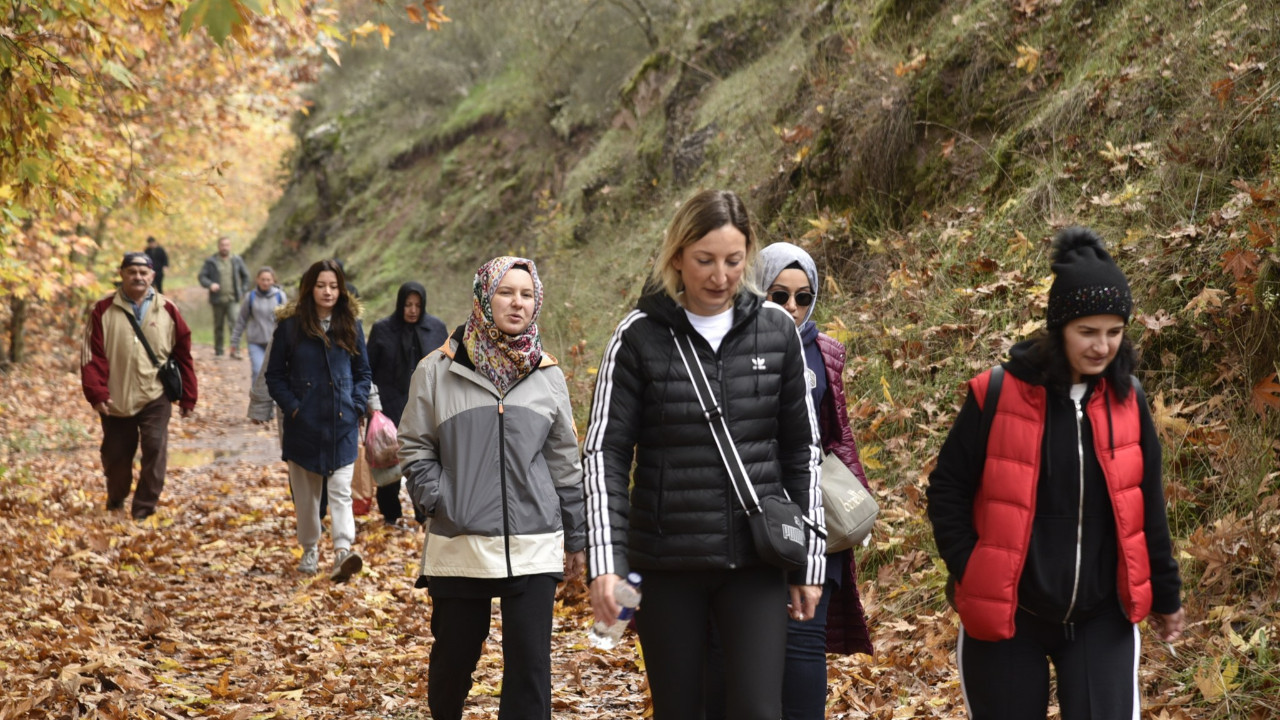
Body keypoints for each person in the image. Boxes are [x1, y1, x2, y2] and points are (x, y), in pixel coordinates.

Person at [582, 189, 825, 720]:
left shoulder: (777, 330)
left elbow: (803, 450)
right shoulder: (637, 337)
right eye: (705, 261)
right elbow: (605, 453)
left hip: (755, 559)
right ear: (676, 258)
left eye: (733, 261)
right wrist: (607, 562)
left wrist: (810, 559)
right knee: (681, 709)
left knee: (760, 710)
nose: (720, 276)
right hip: (667, 564)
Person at [926, 227, 1185, 720]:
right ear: (1059, 326)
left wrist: (1166, 595)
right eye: (1087, 331)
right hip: (1010, 618)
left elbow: (1147, 505)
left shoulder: (1130, 401)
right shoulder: (996, 395)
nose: (1102, 346)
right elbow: (947, 490)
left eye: (1114, 331)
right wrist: (970, 565)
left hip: (1100, 618)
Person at [399, 256, 585, 720]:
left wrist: (577, 537)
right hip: (460, 540)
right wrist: (438, 498)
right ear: (484, 296)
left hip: (534, 542)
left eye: (525, 294)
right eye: (506, 292)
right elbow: (415, 446)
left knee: (530, 671)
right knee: (454, 662)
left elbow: (564, 461)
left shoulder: (548, 374)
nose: (516, 302)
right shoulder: (436, 370)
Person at [706, 242, 873, 719]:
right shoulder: (727, 344)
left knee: (803, 648)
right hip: (743, 515)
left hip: (810, 514)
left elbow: (838, 433)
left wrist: (850, 501)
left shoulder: (826, 352)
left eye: (804, 297)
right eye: (779, 295)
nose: (793, 308)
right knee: (729, 653)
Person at [265, 259, 371, 582]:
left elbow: (363, 373)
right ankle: (310, 548)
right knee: (307, 497)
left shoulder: (350, 324)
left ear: (341, 290)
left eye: (334, 286)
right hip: (303, 427)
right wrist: (293, 407)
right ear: (310, 288)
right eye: (321, 285)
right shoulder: (290, 327)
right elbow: (274, 375)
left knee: (340, 491)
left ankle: (342, 551)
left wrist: (355, 404)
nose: (328, 292)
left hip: (342, 423)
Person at [81, 252, 198, 521]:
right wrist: (97, 393)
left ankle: (144, 510)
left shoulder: (167, 309)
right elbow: (91, 356)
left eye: (143, 273)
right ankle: (117, 497)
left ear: (152, 277)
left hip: (154, 394)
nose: (138, 277)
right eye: (132, 271)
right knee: (117, 458)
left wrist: (189, 397)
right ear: (121, 274)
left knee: (155, 448)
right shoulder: (102, 309)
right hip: (115, 398)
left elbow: (183, 354)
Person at [365, 281, 448, 527]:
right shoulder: (382, 330)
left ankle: (424, 513)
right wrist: (369, 406)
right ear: (400, 304)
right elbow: (367, 369)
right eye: (408, 305)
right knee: (389, 461)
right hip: (388, 408)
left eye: (417, 305)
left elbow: (446, 366)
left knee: (424, 461)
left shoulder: (435, 328)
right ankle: (391, 515)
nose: (412, 310)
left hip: (425, 407)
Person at [197, 235, 251, 357]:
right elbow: (202, 277)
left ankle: (235, 351)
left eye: (227, 245)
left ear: (230, 246)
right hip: (217, 299)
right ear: (218, 247)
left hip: (233, 299)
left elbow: (246, 276)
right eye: (222, 245)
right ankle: (219, 352)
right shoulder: (211, 261)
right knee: (218, 326)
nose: (225, 247)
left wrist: (242, 290)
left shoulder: (236, 260)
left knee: (235, 325)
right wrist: (210, 284)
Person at [231, 267, 287, 378]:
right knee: (257, 371)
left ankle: (270, 396)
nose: (265, 282)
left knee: (274, 375)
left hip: (275, 343)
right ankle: (255, 396)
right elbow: (241, 320)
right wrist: (234, 341)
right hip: (255, 342)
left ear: (273, 280)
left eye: (268, 279)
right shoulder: (250, 297)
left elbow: (286, 320)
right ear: (257, 280)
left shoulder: (280, 296)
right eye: (262, 279)